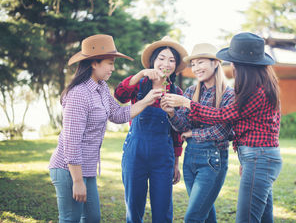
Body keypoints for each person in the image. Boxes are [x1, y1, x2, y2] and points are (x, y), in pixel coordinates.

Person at [163, 32, 282, 223]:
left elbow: (223, 119)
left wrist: (188, 108)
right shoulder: (259, 87)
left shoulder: (251, 93)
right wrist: (172, 113)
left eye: (234, 62)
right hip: (255, 157)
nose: (232, 65)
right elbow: (264, 128)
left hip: (256, 158)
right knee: (263, 218)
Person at [49, 34, 163, 223]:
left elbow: (118, 114)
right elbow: (71, 140)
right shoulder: (79, 95)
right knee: (71, 219)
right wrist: (77, 181)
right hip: (68, 169)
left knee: (93, 218)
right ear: (94, 63)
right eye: (109, 63)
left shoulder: (101, 87)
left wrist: (147, 100)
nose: (112, 68)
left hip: (87, 168)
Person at [114, 37, 188, 223]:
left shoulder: (177, 93)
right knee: (134, 206)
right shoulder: (139, 85)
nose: (166, 64)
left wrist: (176, 162)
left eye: (171, 60)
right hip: (135, 154)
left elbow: (177, 133)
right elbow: (119, 95)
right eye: (162, 58)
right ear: (153, 61)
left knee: (163, 209)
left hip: (163, 157)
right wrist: (140, 75)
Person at [160, 43, 234, 223]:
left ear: (215, 63)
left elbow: (224, 130)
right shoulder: (191, 91)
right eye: (193, 64)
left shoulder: (228, 94)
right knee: (206, 214)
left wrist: (194, 134)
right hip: (191, 158)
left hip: (213, 160)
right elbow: (183, 126)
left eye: (201, 62)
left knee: (193, 217)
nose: (196, 68)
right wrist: (171, 113)